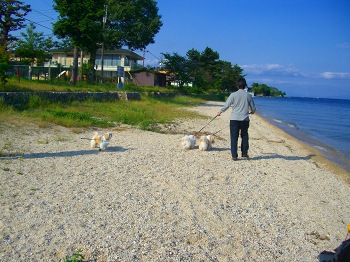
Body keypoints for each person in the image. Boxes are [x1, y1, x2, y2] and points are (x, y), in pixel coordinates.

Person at [217, 77, 256, 160]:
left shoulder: (233, 95)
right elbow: (253, 108)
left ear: (237, 86)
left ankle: (234, 156)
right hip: (245, 119)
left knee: (234, 137)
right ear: (245, 86)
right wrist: (252, 112)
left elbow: (226, 105)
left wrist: (220, 111)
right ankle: (244, 153)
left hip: (234, 119)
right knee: (244, 136)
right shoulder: (248, 96)